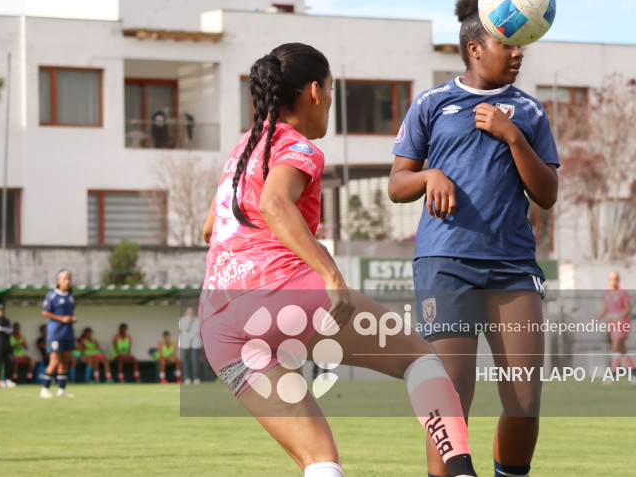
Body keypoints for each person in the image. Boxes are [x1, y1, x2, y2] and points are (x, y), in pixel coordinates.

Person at [199, 43, 477, 477]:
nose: (331, 100)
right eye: (331, 89)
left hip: (219, 323)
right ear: (314, 91)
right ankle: (462, 473)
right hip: (278, 294)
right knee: (420, 359)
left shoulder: (244, 149)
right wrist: (329, 272)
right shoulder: (297, 146)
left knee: (320, 459)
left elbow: (209, 228)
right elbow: (273, 203)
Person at [388, 0, 560, 477]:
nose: (518, 52)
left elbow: (547, 193)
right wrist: (429, 176)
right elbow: (397, 185)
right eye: (507, 43)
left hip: (513, 266)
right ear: (474, 48)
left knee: (525, 402)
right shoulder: (431, 104)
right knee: (451, 400)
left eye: (521, 44)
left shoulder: (528, 111)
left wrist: (512, 136)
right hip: (446, 263)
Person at [595, 271, 636, 385]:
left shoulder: (623, 292)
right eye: (611, 279)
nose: (613, 282)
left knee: (615, 348)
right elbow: (606, 308)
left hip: (621, 323)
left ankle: (611, 376)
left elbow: (628, 309)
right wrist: (597, 319)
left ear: (618, 280)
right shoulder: (607, 293)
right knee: (622, 350)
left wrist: (618, 318)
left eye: (615, 279)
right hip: (612, 324)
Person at [41, 269, 78, 398]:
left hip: (68, 333)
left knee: (64, 362)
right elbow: (45, 312)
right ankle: (45, 389)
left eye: (69, 279)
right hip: (55, 334)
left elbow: (71, 313)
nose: (67, 281)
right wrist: (61, 319)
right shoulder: (52, 295)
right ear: (58, 281)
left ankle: (61, 389)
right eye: (65, 279)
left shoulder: (70, 296)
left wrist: (72, 319)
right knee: (55, 361)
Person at [0, 304, 15, 387]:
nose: (0, 312)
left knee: (10, 361)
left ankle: (8, 379)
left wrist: (4, 329)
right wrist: (5, 329)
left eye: (1, 310)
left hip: (7, 344)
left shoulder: (6, 320)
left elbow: (11, 330)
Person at [178, 307, 202, 385]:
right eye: (189, 312)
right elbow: (184, 328)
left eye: (192, 311)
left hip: (195, 344)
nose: (191, 313)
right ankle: (186, 378)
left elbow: (198, 330)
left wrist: (191, 332)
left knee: (195, 361)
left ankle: (196, 377)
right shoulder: (183, 319)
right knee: (185, 361)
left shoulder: (197, 319)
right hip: (185, 344)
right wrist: (190, 321)